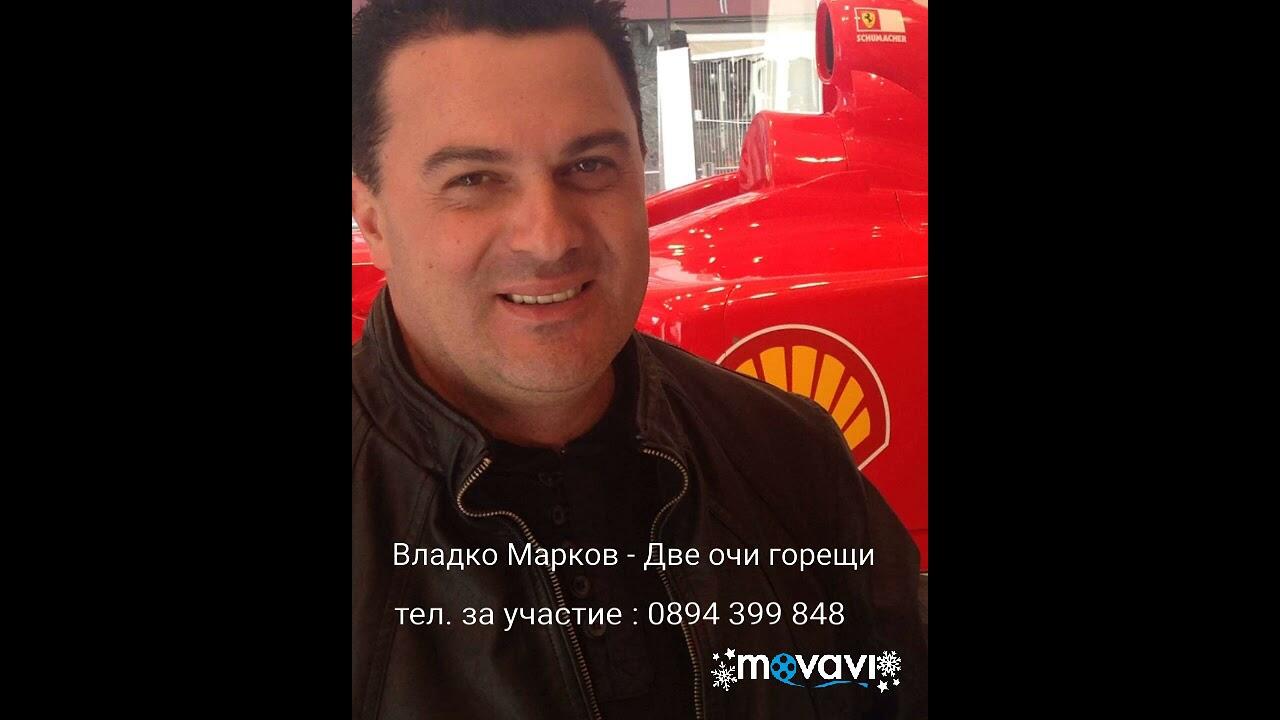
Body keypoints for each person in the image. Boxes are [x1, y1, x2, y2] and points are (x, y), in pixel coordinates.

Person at [351, 2, 927, 718]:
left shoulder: (791, 456)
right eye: (473, 180)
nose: (549, 238)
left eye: (590, 165)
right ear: (372, 219)